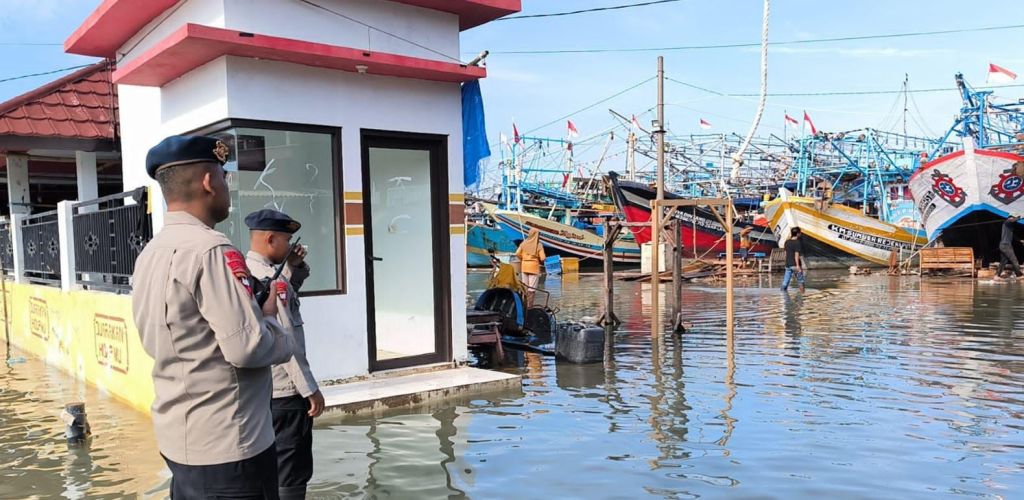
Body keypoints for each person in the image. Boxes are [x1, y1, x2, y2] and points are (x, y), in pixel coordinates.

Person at [132, 135, 294, 499]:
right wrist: (271, 324)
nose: (226, 186)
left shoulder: (151, 253)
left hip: (180, 440)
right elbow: (247, 349)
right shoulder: (212, 250)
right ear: (208, 182)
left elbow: (150, 337)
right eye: (224, 176)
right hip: (232, 446)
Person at [245, 209, 324, 500]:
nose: (291, 245)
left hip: (261, 390)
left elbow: (285, 295)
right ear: (270, 238)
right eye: (287, 240)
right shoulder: (269, 277)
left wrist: (293, 265)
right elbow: (286, 338)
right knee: (292, 468)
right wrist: (310, 389)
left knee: (269, 465)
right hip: (285, 392)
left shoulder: (246, 272)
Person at [515, 228, 546, 307]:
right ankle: (529, 307)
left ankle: (523, 306)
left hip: (524, 267)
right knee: (531, 289)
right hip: (534, 268)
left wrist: (523, 259)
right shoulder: (538, 245)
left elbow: (517, 253)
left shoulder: (524, 243)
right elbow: (543, 258)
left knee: (525, 288)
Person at [996, 214, 1024, 278]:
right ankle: (1019, 275)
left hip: (1003, 245)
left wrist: (1020, 241)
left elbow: (1013, 236)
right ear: (1011, 217)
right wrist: (1020, 217)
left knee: (1003, 262)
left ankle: (997, 275)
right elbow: (1012, 220)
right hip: (1006, 246)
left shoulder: (1009, 227)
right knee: (1014, 260)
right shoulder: (1007, 222)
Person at [781, 227, 806, 292]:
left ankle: (782, 293)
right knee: (801, 281)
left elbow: (786, 253)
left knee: (785, 282)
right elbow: (796, 255)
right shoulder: (797, 242)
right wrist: (798, 266)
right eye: (800, 232)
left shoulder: (787, 242)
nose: (800, 234)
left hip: (788, 264)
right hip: (795, 265)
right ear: (797, 234)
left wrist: (786, 263)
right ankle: (802, 296)